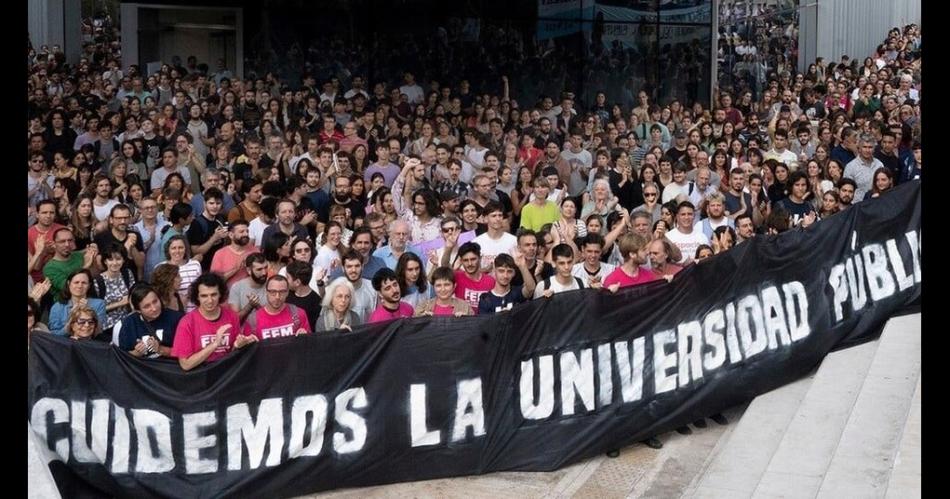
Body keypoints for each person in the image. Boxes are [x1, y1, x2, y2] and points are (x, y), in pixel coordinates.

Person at [172, 272, 257, 371]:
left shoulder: (231, 316)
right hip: (201, 377)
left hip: (226, 376)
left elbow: (232, 353)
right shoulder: (187, 322)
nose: (210, 300)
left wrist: (238, 345)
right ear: (197, 297)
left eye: (213, 294)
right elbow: (185, 364)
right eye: (204, 296)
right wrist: (215, 344)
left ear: (220, 294)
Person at [115, 283, 184, 358]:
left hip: (169, 367)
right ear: (138, 310)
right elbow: (122, 357)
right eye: (147, 306)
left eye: (155, 302)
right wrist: (137, 353)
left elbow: (184, 352)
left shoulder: (176, 318)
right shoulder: (129, 323)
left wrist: (160, 349)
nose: (154, 308)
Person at [243, 275, 311, 340]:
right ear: (266, 292)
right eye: (273, 292)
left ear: (287, 292)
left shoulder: (298, 314)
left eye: (282, 292)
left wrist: (305, 338)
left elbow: (308, 346)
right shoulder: (253, 320)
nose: (277, 297)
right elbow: (248, 349)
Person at [43, 227, 99, 299]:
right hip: (66, 304)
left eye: (70, 240)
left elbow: (96, 276)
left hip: (89, 298)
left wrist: (93, 259)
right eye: (62, 241)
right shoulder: (50, 268)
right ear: (54, 244)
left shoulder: (79, 256)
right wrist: (85, 267)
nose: (67, 244)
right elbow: (69, 288)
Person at [48, 269, 107, 336]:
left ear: (89, 285)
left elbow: (99, 331)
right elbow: (53, 335)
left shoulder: (99, 304)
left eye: (84, 283)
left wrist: (88, 311)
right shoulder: (57, 307)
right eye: (76, 282)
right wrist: (72, 317)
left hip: (90, 343)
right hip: (64, 343)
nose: (80, 286)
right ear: (68, 283)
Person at [91, 243, 136, 330]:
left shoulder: (127, 273)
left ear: (123, 260)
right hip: (108, 327)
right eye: (110, 259)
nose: (114, 263)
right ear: (105, 261)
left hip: (128, 323)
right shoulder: (98, 281)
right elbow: (94, 310)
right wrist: (119, 303)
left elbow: (134, 295)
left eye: (118, 259)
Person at [187, 187, 230, 271]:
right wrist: (214, 238)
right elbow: (196, 252)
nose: (215, 206)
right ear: (204, 204)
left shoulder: (220, 219)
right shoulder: (197, 223)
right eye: (211, 203)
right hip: (204, 269)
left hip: (220, 265)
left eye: (218, 203)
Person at [210, 219, 259, 287]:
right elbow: (213, 282)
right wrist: (236, 269)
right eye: (241, 232)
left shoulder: (255, 251)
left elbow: (262, 276)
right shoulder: (220, 254)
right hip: (228, 296)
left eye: (247, 231)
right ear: (231, 235)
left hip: (251, 295)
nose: (246, 234)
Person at [160, 235, 203, 311]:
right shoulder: (161, 267)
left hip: (195, 310)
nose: (177, 251)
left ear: (185, 249)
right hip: (172, 312)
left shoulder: (195, 265)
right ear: (168, 250)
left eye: (180, 247)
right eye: (173, 248)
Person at [472, 201, 518, 271]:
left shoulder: (513, 241)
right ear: (486, 218)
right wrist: (484, 271)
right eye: (494, 216)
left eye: (500, 215)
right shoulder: (476, 242)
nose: (498, 219)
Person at [228, 253, 269, 322]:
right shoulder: (237, 287)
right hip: (244, 331)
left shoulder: (272, 285)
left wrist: (257, 306)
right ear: (249, 271)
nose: (264, 273)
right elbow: (235, 320)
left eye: (265, 268)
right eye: (259, 269)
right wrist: (250, 305)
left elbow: (273, 318)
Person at [284, 261, 322, 332]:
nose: (285, 280)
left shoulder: (315, 302)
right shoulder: (287, 294)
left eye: (287, 277)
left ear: (297, 282)